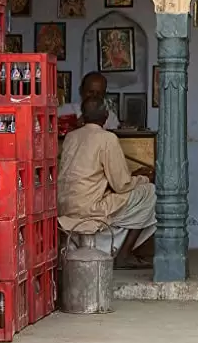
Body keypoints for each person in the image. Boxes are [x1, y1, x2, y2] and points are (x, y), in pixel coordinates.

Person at [57, 97, 155, 270]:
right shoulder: (107, 138)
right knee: (150, 193)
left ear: (83, 116)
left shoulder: (70, 137)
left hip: (65, 206)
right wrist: (144, 178)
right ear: (106, 116)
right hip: (90, 209)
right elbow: (121, 185)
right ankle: (124, 255)